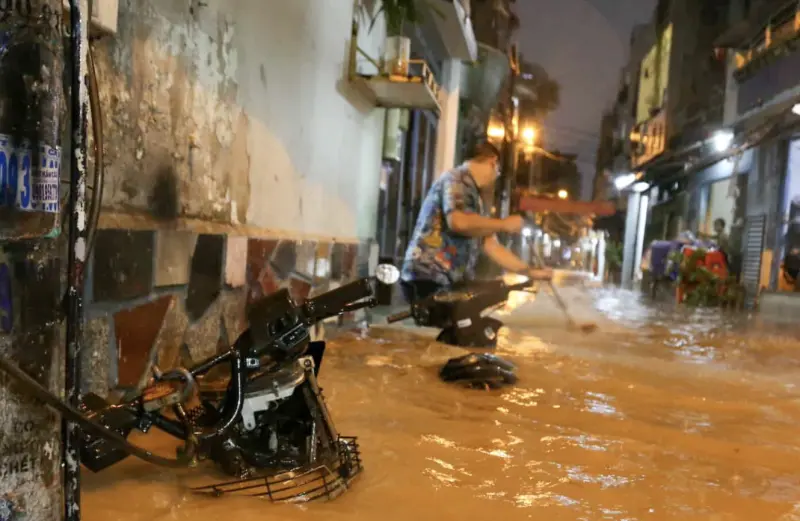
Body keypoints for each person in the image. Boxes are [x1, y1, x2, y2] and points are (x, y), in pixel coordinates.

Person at [399, 141, 553, 303]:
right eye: (498, 171)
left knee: (479, 318)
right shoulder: (456, 179)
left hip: (449, 281)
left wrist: (529, 271)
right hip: (429, 276)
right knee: (472, 324)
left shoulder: (474, 197)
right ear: (493, 162)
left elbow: (492, 246)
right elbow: (458, 222)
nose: (495, 177)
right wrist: (503, 224)